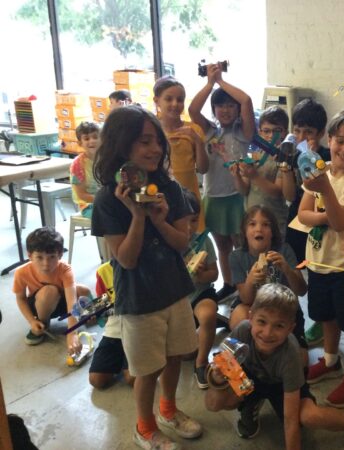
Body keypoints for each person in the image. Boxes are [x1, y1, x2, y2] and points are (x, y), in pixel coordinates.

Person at [92, 105, 203, 449]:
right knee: (146, 370)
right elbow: (124, 259)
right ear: (122, 146)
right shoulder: (108, 200)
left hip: (174, 290)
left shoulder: (169, 188)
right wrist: (137, 215)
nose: (155, 148)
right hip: (138, 301)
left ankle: (169, 409)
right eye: (144, 142)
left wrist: (158, 219)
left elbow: (182, 243)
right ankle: (144, 425)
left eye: (156, 141)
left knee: (174, 357)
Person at [204, 283, 344, 450]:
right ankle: (250, 404)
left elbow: (291, 421)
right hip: (248, 380)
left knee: (309, 416)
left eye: (279, 326)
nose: (267, 332)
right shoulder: (241, 330)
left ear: (291, 328)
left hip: (282, 386)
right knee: (215, 401)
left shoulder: (289, 355)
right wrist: (217, 377)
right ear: (250, 317)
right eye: (262, 322)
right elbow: (218, 369)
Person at [298, 108, 344, 408]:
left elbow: (342, 223)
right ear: (329, 139)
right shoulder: (320, 169)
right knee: (326, 316)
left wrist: (325, 194)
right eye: (340, 141)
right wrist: (324, 216)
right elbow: (303, 213)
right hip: (318, 260)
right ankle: (331, 360)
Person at [188, 63, 255, 299]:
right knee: (223, 246)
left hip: (237, 197)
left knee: (240, 246)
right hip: (213, 197)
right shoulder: (208, 131)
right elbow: (193, 109)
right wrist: (209, 84)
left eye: (229, 105)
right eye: (219, 106)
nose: (225, 110)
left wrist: (220, 81)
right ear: (214, 109)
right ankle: (228, 284)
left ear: (236, 110)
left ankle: (244, 287)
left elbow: (246, 100)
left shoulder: (243, 132)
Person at [228, 205, 308, 364]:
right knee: (239, 315)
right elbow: (245, 298)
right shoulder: (236, 256)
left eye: (266, 224)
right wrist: (250, 280)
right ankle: (251, 358)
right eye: (252, 224)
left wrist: (286, 268)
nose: (259, 229)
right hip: (253, 304)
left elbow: (302, 290)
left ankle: (274, 356)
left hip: (284, 306)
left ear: (273, 233)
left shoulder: (284, 250)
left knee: (302, 361)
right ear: (244, 231)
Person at [284, 98, 330, 347]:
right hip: (296, 218)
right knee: (294, 265)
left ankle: (321, 320)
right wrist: (285, 167)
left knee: (316, 271)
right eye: (297, 130)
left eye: (308, 132)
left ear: (321, 133)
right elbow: (290, 195)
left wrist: (311, 157)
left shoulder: (325, 157)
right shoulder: (291, 154)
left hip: (317, 221)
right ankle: (292, 314)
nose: (301, 136)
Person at [12, 227, 91, 354]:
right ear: (30, 256)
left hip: (61, 302)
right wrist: (32, 321)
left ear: (60, 255)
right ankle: (43, 324)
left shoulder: (65, 269)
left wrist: (72, 332)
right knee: (49, 291)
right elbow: (20, 298)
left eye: (52, 257)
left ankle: (89, 313)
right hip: (39, 305)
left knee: (83, 290)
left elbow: (72, 302)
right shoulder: (21, 272)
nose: (46, 263)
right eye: (39, 257)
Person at [154, 76, 208, 232]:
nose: (175, 104)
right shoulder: (151, 130)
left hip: (190, 199)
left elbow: (203, 169)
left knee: (194, 243)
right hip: (161, 197)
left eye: (180, 100)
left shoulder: (194, 130)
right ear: (157, 101)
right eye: (168, 99)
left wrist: (198, 141)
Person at [231, 106, 290, 238]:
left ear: (285, 132)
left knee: (272, 255)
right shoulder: (254, 154)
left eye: (277, 131)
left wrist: (254, 176)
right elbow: (244, 190)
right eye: (266, 131)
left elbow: (277, 191)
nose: (271, 136)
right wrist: (237, 176)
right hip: (251, 219)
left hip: (273, 221)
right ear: (260, 132)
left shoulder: (284, 157)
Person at [181, 190, 220, 390]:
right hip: (176, 301)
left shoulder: (204, 239)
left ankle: (201, 363)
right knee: (183, 354)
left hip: (200, 293)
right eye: (183, 221)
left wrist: (202, 275)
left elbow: (215, 274)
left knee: (207, 314)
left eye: (194, 221)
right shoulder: (168, 243)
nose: (189, 228)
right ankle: (208, 330)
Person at [88, 261, 135, 389]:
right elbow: (103, 303)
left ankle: (128, 361)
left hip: (138, 332)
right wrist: (92, 313)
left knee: (133, 379)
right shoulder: (103, 271)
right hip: (114, 332)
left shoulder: (146, 266)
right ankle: (122, 359)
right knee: (96, 380)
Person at [70, 121, 100, 218]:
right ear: (80, 143)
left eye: (95, 137)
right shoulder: (77, 165)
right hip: (88, 206)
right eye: (87, 139)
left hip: (107, 201)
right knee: (109, 215)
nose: (92, 141)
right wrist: (104, 200)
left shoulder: (107, 159)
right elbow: (81, 195)